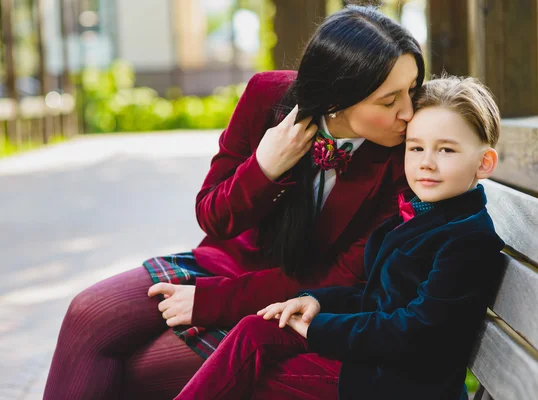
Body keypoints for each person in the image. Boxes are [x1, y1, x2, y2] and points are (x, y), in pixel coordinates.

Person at [43, 5, 425, 400]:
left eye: (412, 90)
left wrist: (210, 303)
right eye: (389, 100)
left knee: (139, 371)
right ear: (337, 99)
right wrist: (264, 168)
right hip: (223, 262)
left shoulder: (406, 159)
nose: (409, 112)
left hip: (292, 303)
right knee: (87, 314)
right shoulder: (268, 96)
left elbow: (338, 277)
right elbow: (212, 216)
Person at [174, 75, 506, 400]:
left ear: (484, 163)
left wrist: (320, 329)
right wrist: (317, 302)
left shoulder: (468, 240)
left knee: (255, 380)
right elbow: (373, 297)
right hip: (372, 360)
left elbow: (415, 333)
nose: (426, 163)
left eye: (446, 150)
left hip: (397, 384)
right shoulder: (417, 216)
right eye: (416, 148)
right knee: (255, 329)